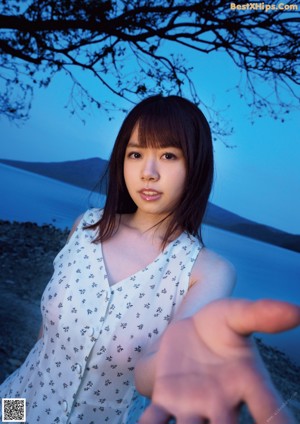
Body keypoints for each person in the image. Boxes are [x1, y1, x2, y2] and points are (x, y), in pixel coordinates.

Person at [0, 95, 299, 424]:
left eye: (169, 155)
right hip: (18, 402)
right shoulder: (85, 227)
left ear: (195, 166)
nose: (148, 172)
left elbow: (149, 377)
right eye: (136, 153)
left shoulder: (207, 271)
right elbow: (44, 343)